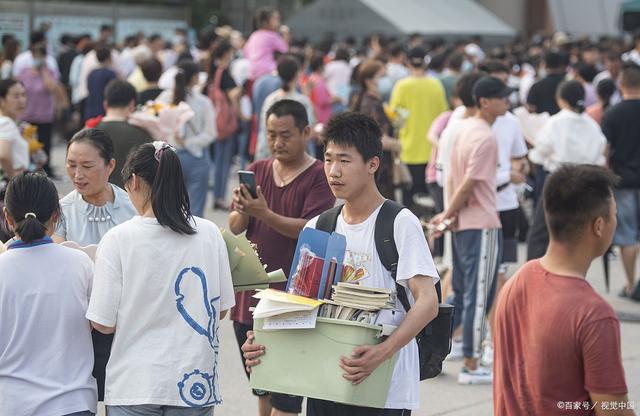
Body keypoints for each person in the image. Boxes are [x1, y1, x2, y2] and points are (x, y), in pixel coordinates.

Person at [243, 111, 440, 415]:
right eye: (328, 159)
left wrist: (381, 352)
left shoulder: (399, 222)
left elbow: (428, 302)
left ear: (373, 164)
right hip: (325, 382)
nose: (333, 171)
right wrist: (265, 338)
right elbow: (301, 305)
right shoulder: (318, 227)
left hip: (384, 389)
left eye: (344, 161)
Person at [86, 141, 235, 414]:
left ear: (133, 181)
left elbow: (102, 323)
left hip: (135, 385)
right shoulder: (209, 233)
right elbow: (222, 309)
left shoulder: (118, 240)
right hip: (195, 383)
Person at [494, 165, 634, 416]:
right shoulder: (594, 314)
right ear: (599, 226)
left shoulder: (517, 282)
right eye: (614, 214)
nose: (616, 220)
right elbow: (614, 410)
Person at [229, 99, 335, 416]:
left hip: (295, 300)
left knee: (287, 395)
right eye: (272, 134)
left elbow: (310, 230)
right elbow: (235, 228)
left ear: (306, 132)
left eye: (285, 135)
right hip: (251, 298)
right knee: (262, 385)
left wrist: (265, 212)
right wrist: (245, 211)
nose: (277, 142)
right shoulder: (259, 169)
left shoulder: (319, 175)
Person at [431, 76, 510, 384]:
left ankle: (437, 348)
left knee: (463, 292)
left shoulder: (462, 129)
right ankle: (472, 364)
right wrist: (448, 213)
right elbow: (470, 183)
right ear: (485, 101)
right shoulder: (485, 136)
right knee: (479, 295)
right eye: (502, 97)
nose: (506, 101)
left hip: (465, 222)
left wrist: (449, 215)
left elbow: (455, 179)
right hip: (481, 222)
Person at [0, 172, 97, 416]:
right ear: (56, 215)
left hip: (12, 404)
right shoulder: (80, 263)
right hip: (73, 402)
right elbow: (99, 322)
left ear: (7, 217)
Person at [52, 128, 136, 404]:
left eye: (87, 166)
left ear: (110, 165)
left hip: (127, 323)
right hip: (78, 324)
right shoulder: (60, 210)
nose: (77, 175)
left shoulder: (134, 206)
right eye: (71, 165)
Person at [527, 80, 607, 261]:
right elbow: (600, 154)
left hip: (558, 179)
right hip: (585, 182)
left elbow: (540, 152)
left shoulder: (554, 122)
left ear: (561, 99)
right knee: (574, 231)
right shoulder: (592, 125)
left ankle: (536, 275)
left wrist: (534, 156)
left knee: (541, 231)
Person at [389, 46, 448, 210]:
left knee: (410, 201)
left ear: (407, 62)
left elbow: (396, 118)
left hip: (409, 148)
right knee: (432, 200)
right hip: (433, 149)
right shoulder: (436, 85)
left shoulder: (402, 86)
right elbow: (444, 116)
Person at [157, 59, 217, 217]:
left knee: (170, 207)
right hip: (196, 157)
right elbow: (211, 133)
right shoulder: (203, 102)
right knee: (196, 210)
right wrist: (190, 143)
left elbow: (156, 125)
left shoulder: (164, 98)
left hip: (168, 156)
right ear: (195, 78)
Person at [602, 63, 640, 299]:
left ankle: (630, 284)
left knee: (627, 237)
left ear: (621, 84)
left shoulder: (612, 114)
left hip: (623, 181)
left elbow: (605, 151)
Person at [350, 59, 401, 199]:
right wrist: (397, 144)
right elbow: (377, 138)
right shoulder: (370, 104)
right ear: (369, 81)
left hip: (379, 166)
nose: (386, 80)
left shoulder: (372, 101)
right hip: (378, 169)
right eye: (382, 76)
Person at [256, 55, 316, 161]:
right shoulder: (303, 101)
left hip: (270, 156)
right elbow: (309, 131)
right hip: (296, 159)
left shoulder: (270, 99)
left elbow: (263, 130)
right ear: (297, 74)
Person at [96, 80, 152, 189]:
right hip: (132, 198)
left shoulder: (88, 133)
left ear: (105, 104)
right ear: (132, 104)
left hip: (96, 198)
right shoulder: (142, 134)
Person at [205, 39, 239, 210]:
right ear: (226, 53)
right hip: (225, 123)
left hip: (215, 121)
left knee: (218, 160)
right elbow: (233, 94)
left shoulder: (211, 71)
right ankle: (219, 197)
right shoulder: (223, 72)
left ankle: (217, 197)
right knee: (223, 161)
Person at [17, 45, 59, 176]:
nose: (38, 59)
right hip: (27, 114)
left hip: (44, 115)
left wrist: (44, 71)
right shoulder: (24, 72)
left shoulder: (50, 72)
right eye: (35, 56)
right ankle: (26, 169)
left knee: (44, 144)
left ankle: (44, 170)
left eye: (41, 56)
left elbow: (52, 88)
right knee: (26, 144)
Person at [244, 7, 289, 82]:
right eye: (275, 19)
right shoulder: (271, 35)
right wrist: (286, 34)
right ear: (265, 22)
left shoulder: (254, 35)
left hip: (252, 74)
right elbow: (285, 49)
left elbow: (246, 53)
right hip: (268, 72)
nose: (278, 22)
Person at [0, 79, 29, 190]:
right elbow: (3, 155)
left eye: (23, 95)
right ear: (2, 100)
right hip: (8, 188)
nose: (21, 100)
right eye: (16, 96)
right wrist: (13, 177)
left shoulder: (11, 123)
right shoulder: (6, 123)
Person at [526, 51, 566, 115]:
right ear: (561, 65)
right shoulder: (568, 84)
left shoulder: (536, 86)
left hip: (544, 123)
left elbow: (530, 108)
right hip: (567, 122)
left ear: (545, 65)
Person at [84, 45, 117, 122]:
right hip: (103, 111)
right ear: (108, 58)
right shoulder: (110, 74)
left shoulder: (91, 73)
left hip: (90, 110)